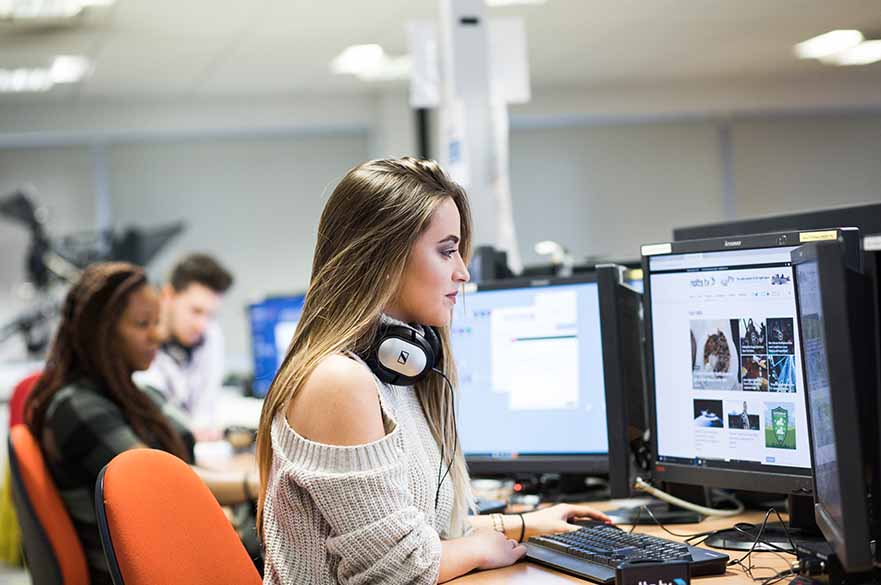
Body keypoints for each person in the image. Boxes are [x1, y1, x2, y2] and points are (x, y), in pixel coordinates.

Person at [255, 158, 609, 585]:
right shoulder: (339, 382)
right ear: (382, 257)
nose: (462, 272)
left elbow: (420, 536)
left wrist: (526, 524)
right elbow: (400, 569)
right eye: (447, 250)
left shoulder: (400, 372)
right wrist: (479, 547)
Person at [24, 262, 258, 585]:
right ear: (100, 331)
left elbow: (183, 454)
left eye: (158, 321)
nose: (158, 335)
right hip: (145, 566)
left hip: (171, 543)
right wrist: (253, 483)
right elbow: (161, 491)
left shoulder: (137, 392)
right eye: (142, 324)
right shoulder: (76, 408)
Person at [136, 253, 233, 429]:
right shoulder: (140, 340)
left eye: (210, 315)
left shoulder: (211, 335)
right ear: (168, 295)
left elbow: (206, 412)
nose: (202, 325)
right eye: (196, 311)